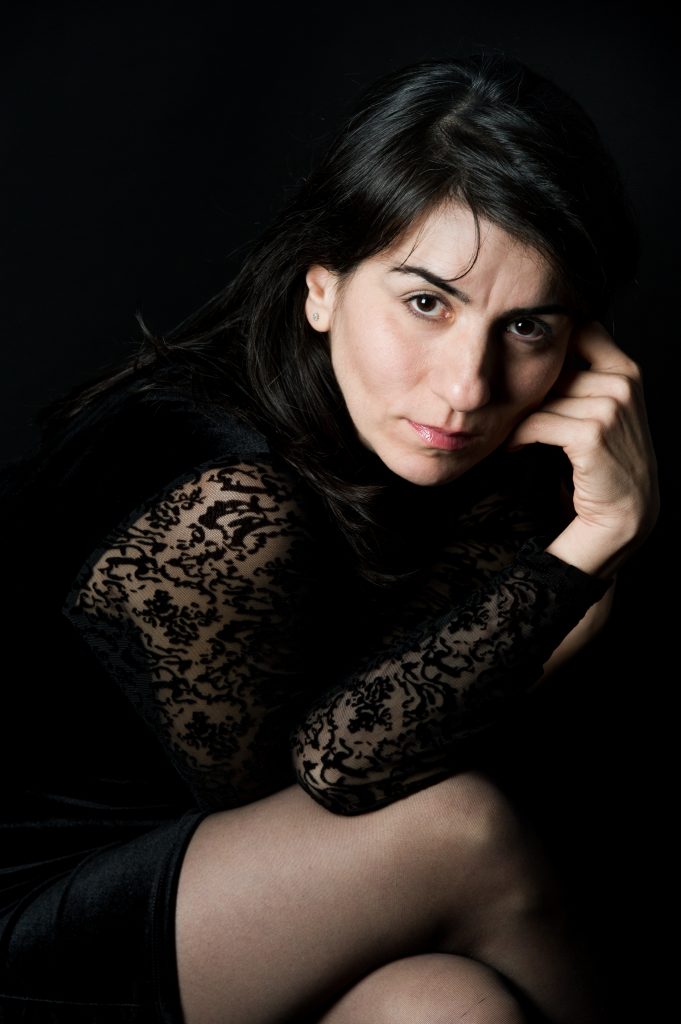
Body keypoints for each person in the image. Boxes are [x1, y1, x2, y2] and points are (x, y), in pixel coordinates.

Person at [0, 52, 658, 1024]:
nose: (466, 386)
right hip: (36, 919)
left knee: (446, 1006)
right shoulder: (228, 500)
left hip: (230, 918)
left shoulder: (478, 463)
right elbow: (347, 782)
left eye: (526, 327)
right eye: (426, 303)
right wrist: (599, 537)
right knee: (461, 831)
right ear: (322, 287)